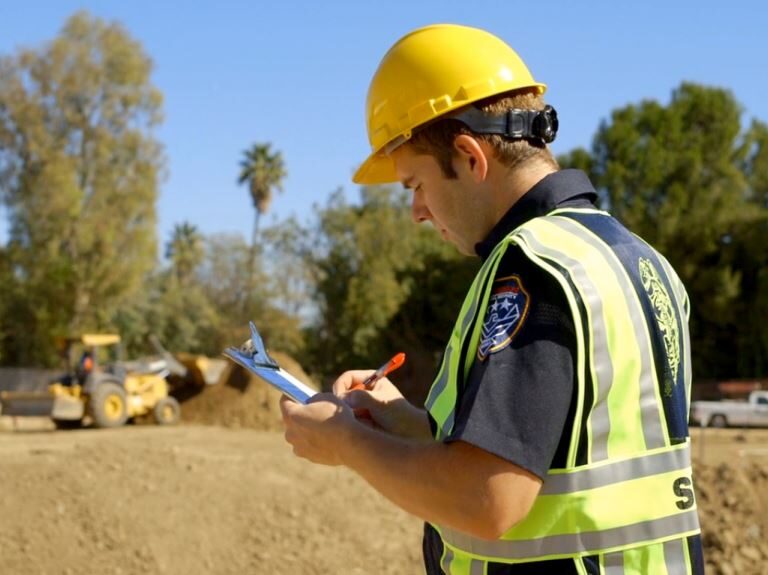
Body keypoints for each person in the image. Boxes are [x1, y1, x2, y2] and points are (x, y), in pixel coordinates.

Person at [280, 24, 704, 574]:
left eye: (416, 185)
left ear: (469, 156)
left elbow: (489, 498)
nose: (417, 212)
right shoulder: (640, 260)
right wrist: (401, 420)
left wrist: (346, 444)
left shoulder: (533, 268)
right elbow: (562, 450)